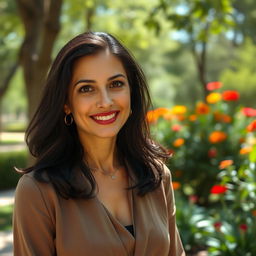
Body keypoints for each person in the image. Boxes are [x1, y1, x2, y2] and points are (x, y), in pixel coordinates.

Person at [13, 31, 185, 256]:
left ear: (131, 92)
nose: (105, 101)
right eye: (86, 88)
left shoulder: (156, 175)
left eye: (116, 84)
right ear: (66, 103)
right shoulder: (38, 192)